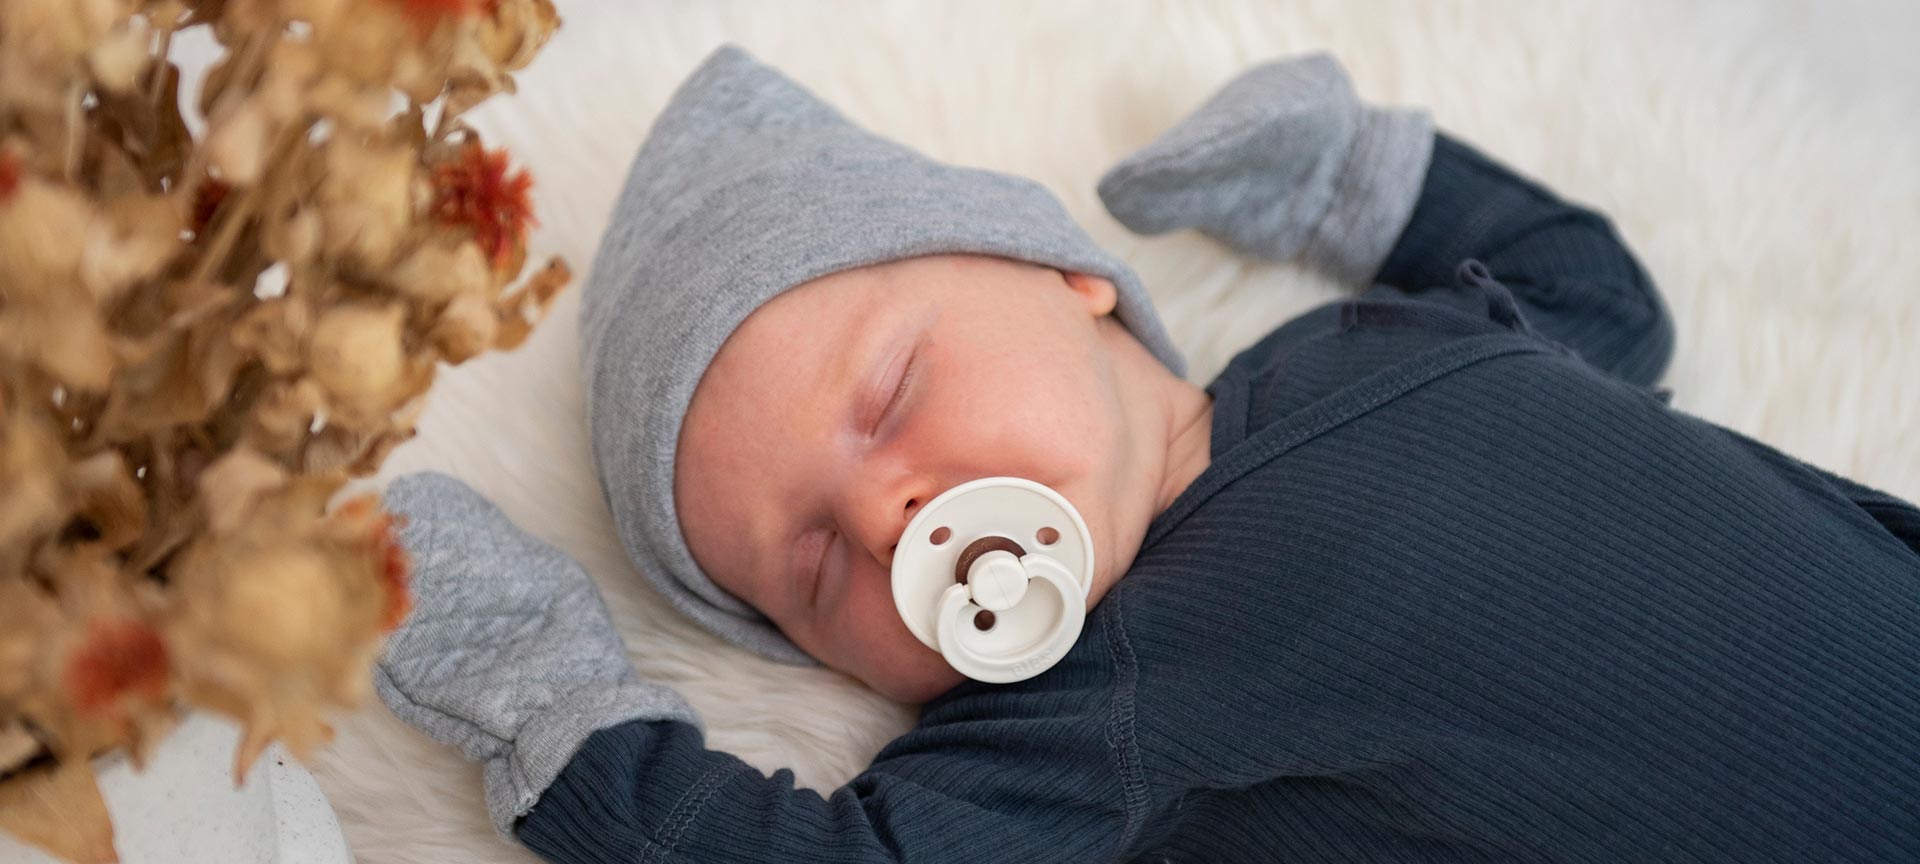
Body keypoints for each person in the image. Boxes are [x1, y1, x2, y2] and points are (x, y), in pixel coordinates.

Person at [371, 46, 1920, 862]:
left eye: (894, 390)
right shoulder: (1087, 707)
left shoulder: (1367, 347)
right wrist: (553, 706)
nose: (891, 506)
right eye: (816, 566)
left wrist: (1349, 180)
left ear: (1066, 275)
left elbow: (1601, 313)